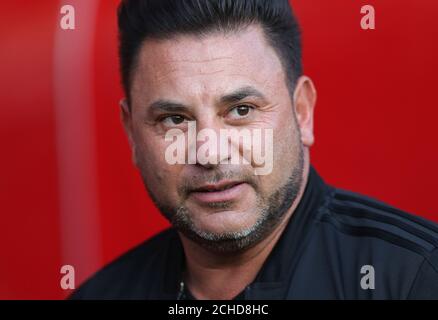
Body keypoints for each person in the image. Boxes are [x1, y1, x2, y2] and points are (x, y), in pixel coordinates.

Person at [71, 0, 438, 299]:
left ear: (302, 112)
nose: (210, 152)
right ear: (132, 134)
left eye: (240, 111)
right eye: (174, 119)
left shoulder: (414, 280)